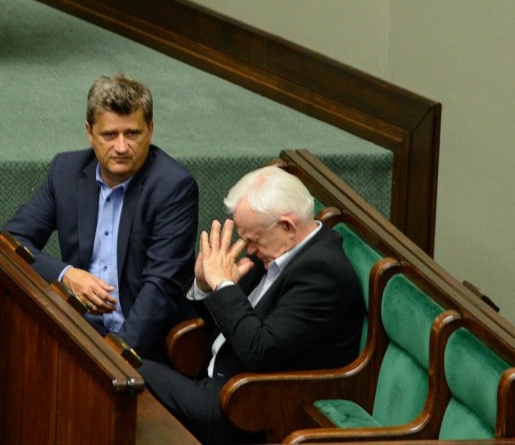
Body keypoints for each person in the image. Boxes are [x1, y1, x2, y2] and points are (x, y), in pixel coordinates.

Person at [140, 165, 365, 444]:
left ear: (287, 226)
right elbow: (230, 322)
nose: (248, 249)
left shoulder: (322, 274)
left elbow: (259, 351)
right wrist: (205, 287)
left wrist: (224, 286)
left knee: (131, 372)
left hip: (249, 404)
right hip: (220, 382)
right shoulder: (276, 249)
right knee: (122, 362)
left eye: (253, 239)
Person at [3, 73, 199, 358]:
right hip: (78, 327)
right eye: (109, 135)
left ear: (151, 130)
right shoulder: (65, 171)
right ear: (89, 132)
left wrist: (113, 357)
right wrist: (65, 274)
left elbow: (161, 288)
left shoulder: (173, 187)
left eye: (132, 133)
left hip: (140, 346)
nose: (121, 147)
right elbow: (12, 239)